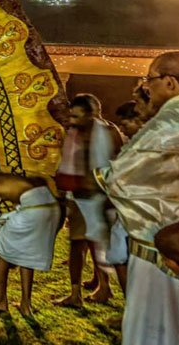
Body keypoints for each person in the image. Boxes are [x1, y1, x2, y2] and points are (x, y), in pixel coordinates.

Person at [95, 50, 179, 345]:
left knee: (152, 327)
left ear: (170, 82)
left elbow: (122, 180)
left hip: (158, 243)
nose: (148, 88)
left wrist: (102, 174)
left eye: (151, 80)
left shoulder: (168, 124)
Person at [0, 150, 63, 316]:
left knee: (0, 245)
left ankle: (0, 299)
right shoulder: (9, 179)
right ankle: (26, 304)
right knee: (23, 248)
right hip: (52, 208)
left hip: (35, 209)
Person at [55, 94, 121, 307]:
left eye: (77, 116)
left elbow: (120, 161)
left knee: (99, 245)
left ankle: (104, 287)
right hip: (78, 197)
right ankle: (77, 294)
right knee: (77, 244)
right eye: (71, 115)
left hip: (102, 196)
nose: (72, 120)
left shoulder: (109, 133)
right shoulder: (73, 134)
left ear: (92, 113)